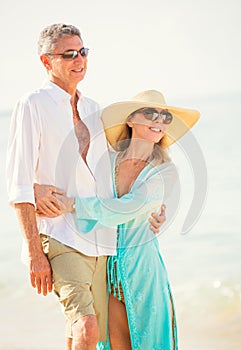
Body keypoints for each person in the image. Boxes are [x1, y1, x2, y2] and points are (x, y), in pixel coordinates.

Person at [6, 24, 165, 350]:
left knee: (86, 333)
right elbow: (17, 180)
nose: (79, 59)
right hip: (58, 233)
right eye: (69, 54)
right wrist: (35, 252)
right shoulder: (32, 104)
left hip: (100, 241)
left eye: (83, 51)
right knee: (87, 328)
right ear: (46, 61)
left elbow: (109, 176)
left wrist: (151, 207)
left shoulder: (94, 109)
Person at [37, 90, 200, 349]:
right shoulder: (106, 161)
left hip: (143, 267)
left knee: (149, 342)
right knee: (113, 342)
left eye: (165, 116)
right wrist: (37, 192)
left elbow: (131, 207)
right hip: (104, 266)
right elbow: (76, 182)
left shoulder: (165, 170)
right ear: (131, 119)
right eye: (151, 113)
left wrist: (73, 205)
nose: (159, 120)